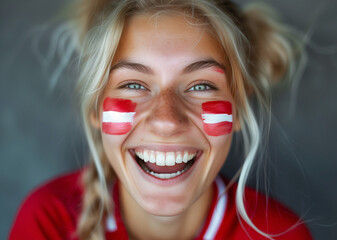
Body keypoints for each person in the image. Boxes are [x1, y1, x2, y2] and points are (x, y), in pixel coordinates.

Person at [9, 0, 312, 239]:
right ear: (96, 108)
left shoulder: (282, 235)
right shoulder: (47, 223)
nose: (167, 121)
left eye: (201, 86)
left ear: (239, 109)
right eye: (134, 85)